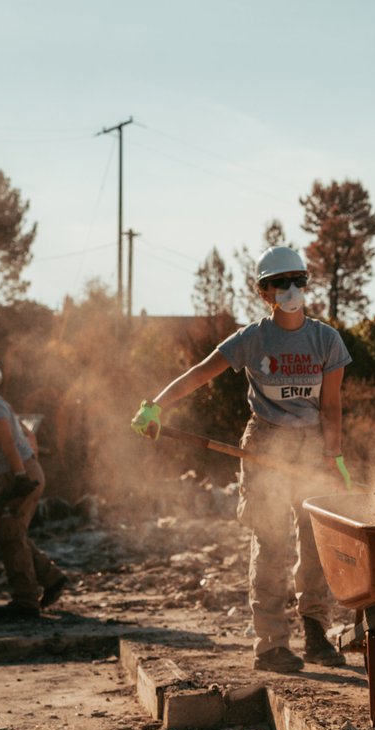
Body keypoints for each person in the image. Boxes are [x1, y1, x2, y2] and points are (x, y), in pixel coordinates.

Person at [130, 246, 351, 673]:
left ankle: (315, 633)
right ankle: (270, 645)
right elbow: (200, 372)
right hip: (265, 445)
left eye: (298, 281)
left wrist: (334, 455)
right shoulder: (252, 339)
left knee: (315, 542)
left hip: (310, 447)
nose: (291, 290)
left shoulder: (327, 339)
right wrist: (156, 404)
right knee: (270, 544)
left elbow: (333, 406)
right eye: (281, 283)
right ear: (264, 291)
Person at [0, 356, 68, 619]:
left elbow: (7, 442)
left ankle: (26, 600)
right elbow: (29, 436)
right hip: (22, 471)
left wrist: (19, 475)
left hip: (18, 473)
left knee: (9, 529)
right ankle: (50, 578)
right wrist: (28, 465)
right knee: (10, 530)